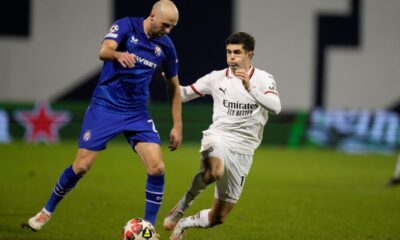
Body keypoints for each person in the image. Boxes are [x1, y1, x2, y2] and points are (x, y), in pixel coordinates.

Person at [23, 0, 182, 233]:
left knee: (157, 168)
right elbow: (103, 51)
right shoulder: (127, 26)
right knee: (81, 166)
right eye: (166, 25)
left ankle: (148, 228)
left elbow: (174, 87)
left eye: (172, 27)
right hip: (105, 107)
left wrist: (177, 125)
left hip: (137, 113)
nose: (168, 31)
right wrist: (118, 55)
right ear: (152, 16)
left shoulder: (166, 47)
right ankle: (47, 211)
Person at [163, 32, 282, 240]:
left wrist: (250, 88)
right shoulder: (215, 78)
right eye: (229, 52)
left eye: (237, 52)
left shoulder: (263, 79)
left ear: (250, 54)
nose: (232, 57)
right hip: (218, 137)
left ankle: (183, 223)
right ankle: (183, 205)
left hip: (244, 150)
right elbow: (182, 95)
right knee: (214, 171)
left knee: (218, 217)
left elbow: (276, 107)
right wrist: (168, 77)